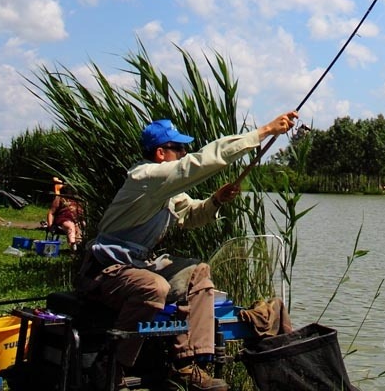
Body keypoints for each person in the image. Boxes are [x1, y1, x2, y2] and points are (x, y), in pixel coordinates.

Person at [77, 111, 297, 391]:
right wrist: (263, 132)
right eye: (178, 148)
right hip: (104, 271)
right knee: (153, 286)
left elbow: (191, 216)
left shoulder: (166, 192)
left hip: (135, 266)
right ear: (160, 152)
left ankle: (187, 365)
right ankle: (113, 367)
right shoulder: (145, 177)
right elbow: (197, 164)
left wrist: (215, 200)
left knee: (198, 271)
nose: (184, 152)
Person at [47, 184, 84, 251]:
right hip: (64, 219)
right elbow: (51, 213)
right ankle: (73, 247)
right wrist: (50, 225)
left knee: (81, 226)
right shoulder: (60, 198)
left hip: (77, 220)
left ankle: (79, 246)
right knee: (70, 225)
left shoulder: (80, 200)